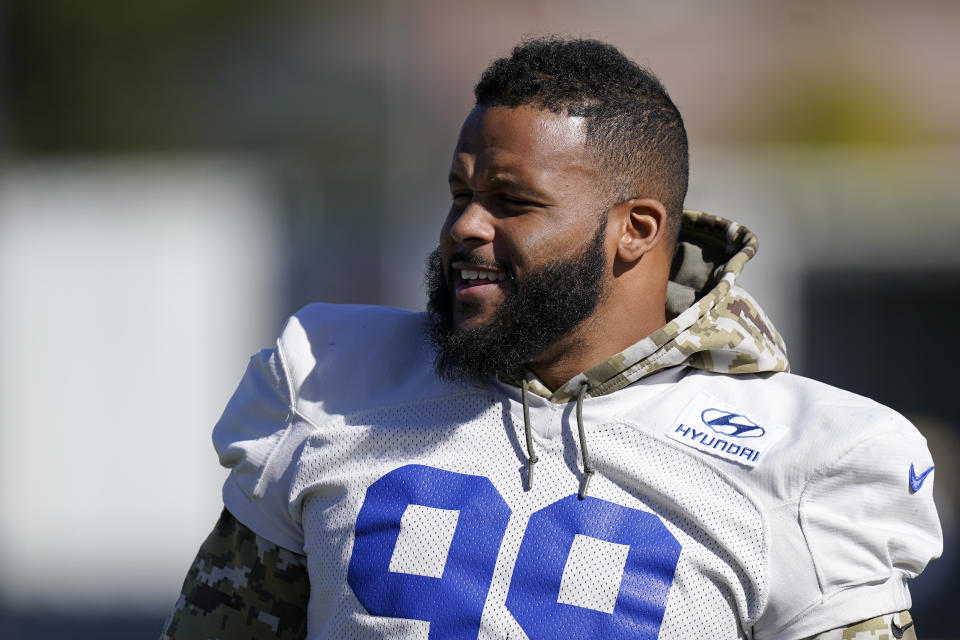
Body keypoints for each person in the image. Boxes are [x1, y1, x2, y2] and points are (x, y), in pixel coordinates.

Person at [161, 38, 941, 640]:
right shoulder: (332, 381)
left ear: (634, 231)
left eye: (511, 201)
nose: (465, 226)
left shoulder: (808, 458)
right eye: (461, 194)